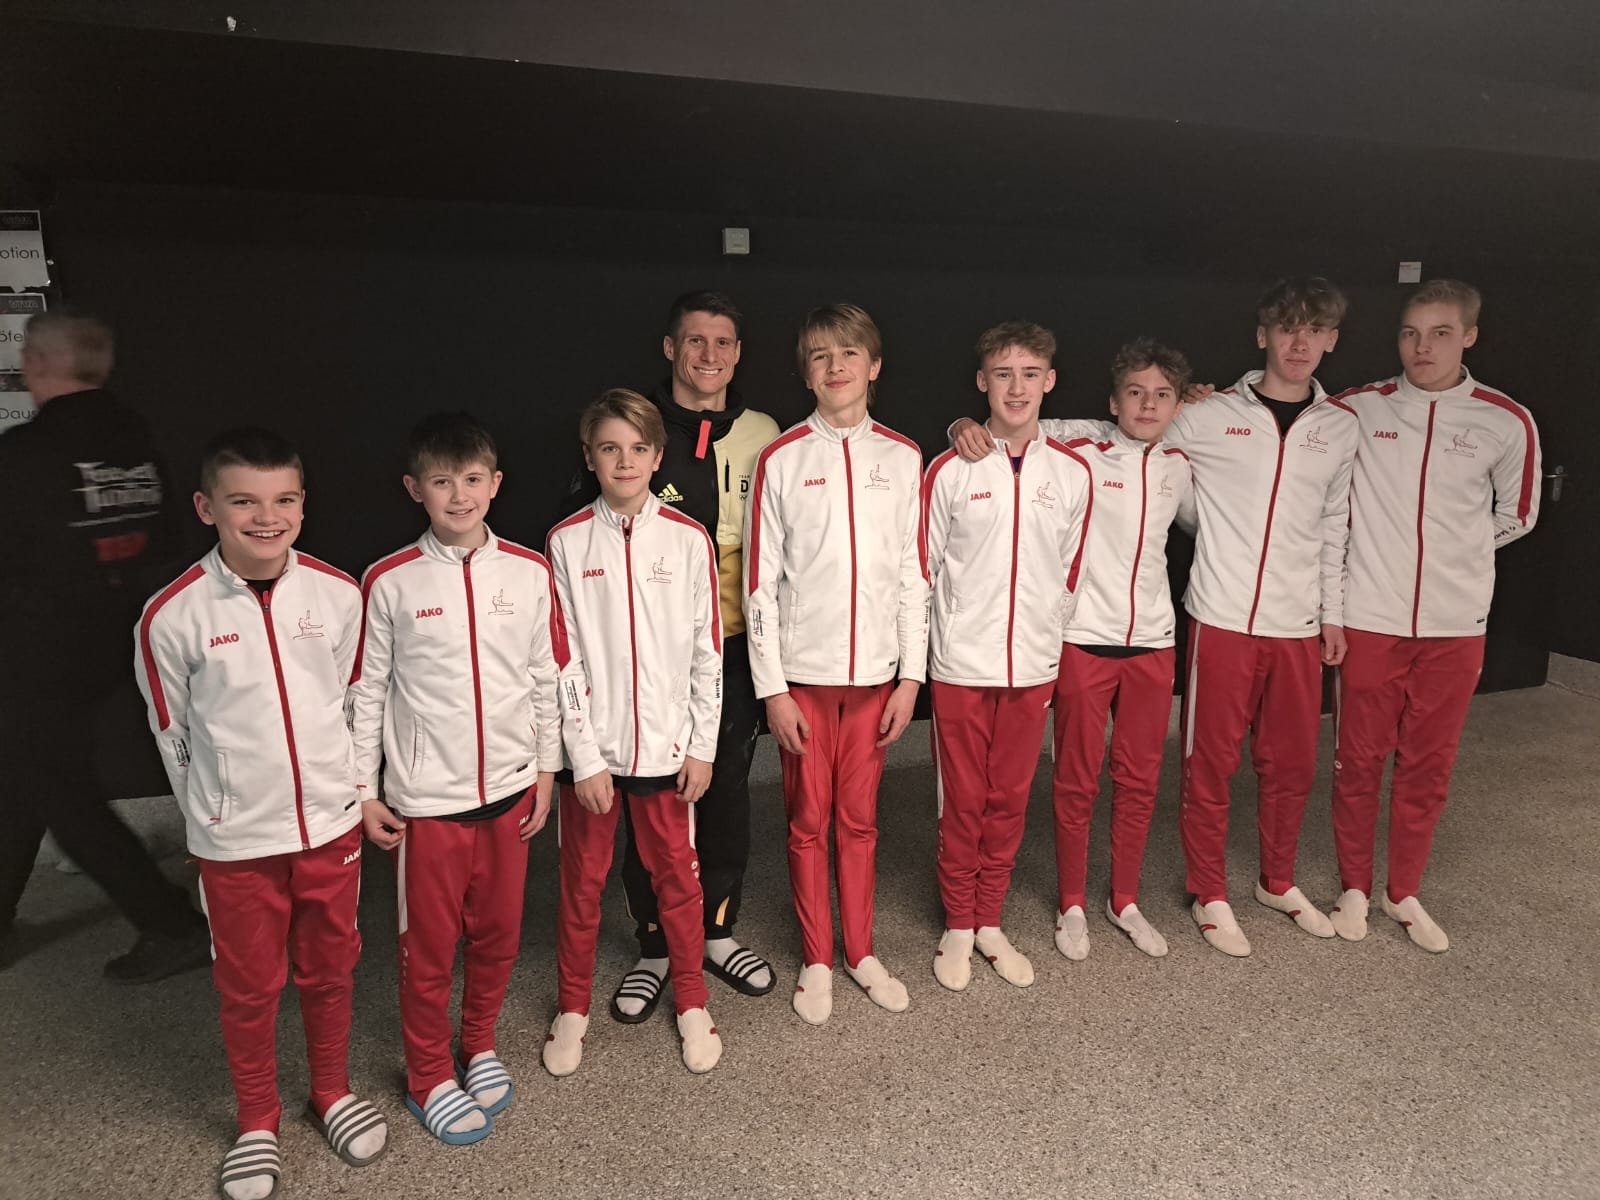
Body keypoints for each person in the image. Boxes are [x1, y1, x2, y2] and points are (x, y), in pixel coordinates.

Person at [953, 278, 1360, 957]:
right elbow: (1020, 424)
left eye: (1163, 394)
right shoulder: (1082, 451)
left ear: (1179, 404)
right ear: (1113, 402)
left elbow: (1214, 520)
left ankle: (1125, 900)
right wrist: (961, 426)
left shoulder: (1178, 465)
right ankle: (1072, 904)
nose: (1148, 405)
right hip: (1083, 639)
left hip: (1154, 643)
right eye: (1135, 393)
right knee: (1076, 781)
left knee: (1140, 781)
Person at [135, 428, 388, 1200]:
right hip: (236, 843)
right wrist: (210, 822)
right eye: (244, 502)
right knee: (248, 986)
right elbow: (174, 737)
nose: (266, 517)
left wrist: (353, 791)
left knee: (331, 967)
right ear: (206, 507)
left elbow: (354, 704)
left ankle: (331, 1090)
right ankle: (256, 1119)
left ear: (304, 506)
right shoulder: (171, 616)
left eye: (283, 500)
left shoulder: (339, 595)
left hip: (329, 828)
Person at [552, 291, 779, 1021]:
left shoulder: (763, 431)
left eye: (723, 342)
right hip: (634, 663)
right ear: (670, 348)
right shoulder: (637, 424)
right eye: (695, 341)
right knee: (642, 798)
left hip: (727, 647)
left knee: (723, 791)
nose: (709, 356)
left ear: (738, 354)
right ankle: (654, 943)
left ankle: (715, 933)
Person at [347, 413, 560, 1145]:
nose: (459, 496)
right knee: (429, 948)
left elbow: (543, 677)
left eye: (472, 480)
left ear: (495, 484)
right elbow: (368, 691)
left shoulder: (529, 572)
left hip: (510, 791)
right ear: (416, 489)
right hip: (427, 804)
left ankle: (479, 1042)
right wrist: (365, 789)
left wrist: (547, 768)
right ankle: (428, 1072)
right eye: (442, 482)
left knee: (498, 934)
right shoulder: (389, 581)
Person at [1327, 280, 1541, 952]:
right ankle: (1354, 887)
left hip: (1455, 625)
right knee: (1358, 761)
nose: (1423, 347)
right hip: (1370, 616)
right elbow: (1291, 419)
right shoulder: (1359, 408)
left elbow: (1518, 513)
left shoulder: (1506, 419)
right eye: (1410, 333)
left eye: (1441, 333)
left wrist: (1459, 551)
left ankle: (1403, 892)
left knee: (1428, 764)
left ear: (1469, 336)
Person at [0, 309, 209, 981]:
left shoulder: (24, 455)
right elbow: (168, 542)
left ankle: (172, 925)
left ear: (37, 365)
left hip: (38, 653)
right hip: (118, 639)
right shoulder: (141, 445)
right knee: (24, 776)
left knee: (57, 790)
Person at [744, 303, 928, 1025]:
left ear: (873, 366)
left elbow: (913, 577)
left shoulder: (903, 457)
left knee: (859, 820)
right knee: (807, 821)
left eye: (849, 353)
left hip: (876, 679)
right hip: (805, 682)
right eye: (820, 356)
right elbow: (759, 586)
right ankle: (817, 958)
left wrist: (911, 678)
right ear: (806, 373)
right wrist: (773, 690)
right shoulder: (782, 458)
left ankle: (861, 951)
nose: (836, 367)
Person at [543, 388, 725, 1076]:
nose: (625, 461)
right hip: (593, 760)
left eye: (638, 448)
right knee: (581, 886)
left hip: (668, 755)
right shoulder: (565, 542)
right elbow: (562, 660)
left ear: (657, 456)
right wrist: (584, 757)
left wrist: (701, 746)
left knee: (678, 881)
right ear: (590, 457)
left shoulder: (688, 539)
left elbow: (708, 651)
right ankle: (572, 1007)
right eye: (610, 448)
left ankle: (692, 1000)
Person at [920, 321, 1093, 991]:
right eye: (1002, 374)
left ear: (1049, 381)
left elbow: (1069, 571)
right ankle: (958, 923)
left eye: (1029, 374)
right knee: (964, 800)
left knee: (1011, 798)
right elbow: (925, 569)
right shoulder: (950, 469)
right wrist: (940, 644)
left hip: (1033, 667)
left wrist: (1043, 636)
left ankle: (990, 917)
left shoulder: (1072, 472)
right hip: (961, 666)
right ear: (981, 382)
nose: (1016, 388)